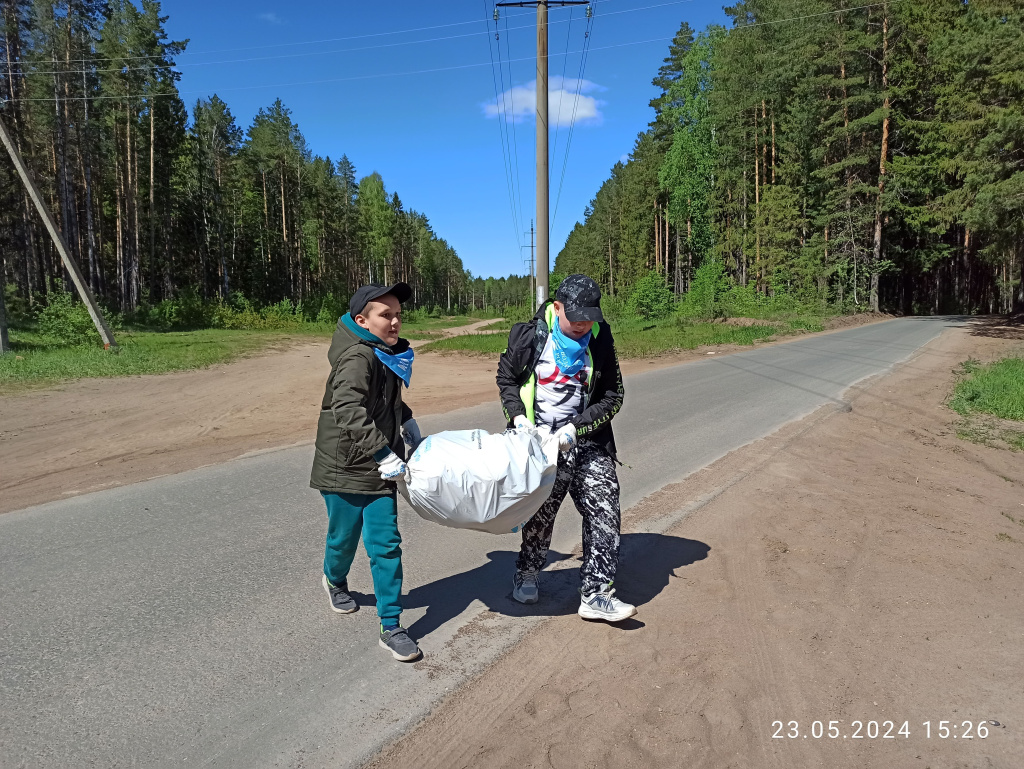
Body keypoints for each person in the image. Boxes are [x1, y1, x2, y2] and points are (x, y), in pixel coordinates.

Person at [496, 274, 635, 622]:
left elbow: (613, 395)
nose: (583, 325)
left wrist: (577, 427)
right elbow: (506, 379)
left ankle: (597, 593)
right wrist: (517, 417)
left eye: (590, 318)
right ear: (557, 308)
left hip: (586, 438)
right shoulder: (529, 336)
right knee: (541, 511)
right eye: (576, 318)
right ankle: (527, 572)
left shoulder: (600, 338)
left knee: (604, 507)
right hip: (540, 441)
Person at [309, 282, 424, 661]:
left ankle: (391, 625)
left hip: (379, 468)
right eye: (385, 315)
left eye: (398, 315)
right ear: (362, 320)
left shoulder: (385, 352)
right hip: (344, 467)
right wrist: (382, 452)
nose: (395, 322)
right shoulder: (359, 356)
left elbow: (385, 400)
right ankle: (334, 580)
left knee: (385, 545)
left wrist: (406, 420)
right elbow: (348, 408)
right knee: (343, 539)